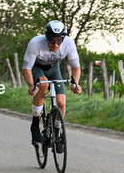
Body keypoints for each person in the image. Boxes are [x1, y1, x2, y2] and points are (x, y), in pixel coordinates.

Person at [22, 20, 82, 151]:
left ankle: (56, 133)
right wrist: (32, 86)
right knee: (43, 84)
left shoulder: (69, 43)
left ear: (63, 39)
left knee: (61, 102)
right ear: (46, 38)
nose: (55, 44)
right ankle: (35, 123)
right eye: (51, 41)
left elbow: (76, 67)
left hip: (54, 69)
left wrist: (75, 84)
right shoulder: (35, 44)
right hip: (37, 68)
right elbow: (26, 69)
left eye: (59, 41)